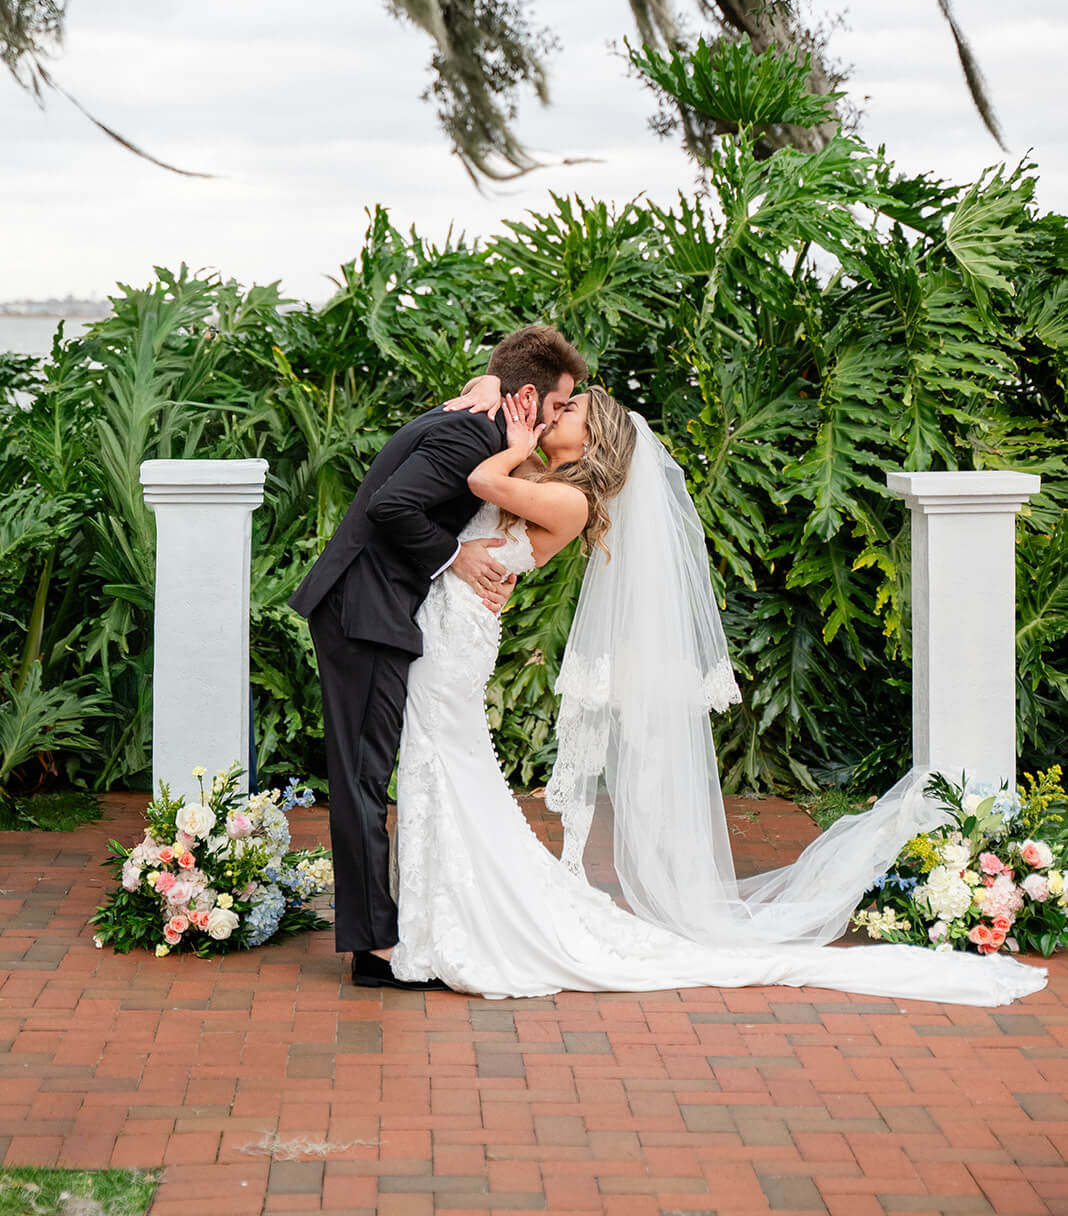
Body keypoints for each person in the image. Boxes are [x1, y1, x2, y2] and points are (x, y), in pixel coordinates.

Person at [390, 382, 1047, 1006]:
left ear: (592, 443)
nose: (551, 414)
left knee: (446, 762)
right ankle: (447, 911)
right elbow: (495, 448)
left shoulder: (569, 499)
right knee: (444, 764)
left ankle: (460, 916)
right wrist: (491, 397)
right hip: (453, 622)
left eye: (568, 413)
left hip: (456, 634)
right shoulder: (546, 479)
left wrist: (514, 438)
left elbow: (482, 481)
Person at [289, 326, 587, 988]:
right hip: (363, 611)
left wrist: (491, 393)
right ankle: (373, 950)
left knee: (367, 774)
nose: (561, 417)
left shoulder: (483, 424)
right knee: (363, 778)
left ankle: (379, 934)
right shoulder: (470, 435)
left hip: (379, 611)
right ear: (529, 396)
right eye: (560, 404)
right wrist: (457, 558)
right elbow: (395, 505)